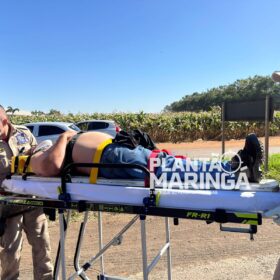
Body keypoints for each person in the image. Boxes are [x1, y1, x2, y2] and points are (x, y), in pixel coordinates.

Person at [29, 129, 263, 184]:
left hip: (118, 150)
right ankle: (238, 169)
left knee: (172, 164)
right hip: (110, 158)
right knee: (166, 168)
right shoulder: (34, 158)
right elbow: (51, 166)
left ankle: (235, 166)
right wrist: (64, 137)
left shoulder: (41, 147)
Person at [0, 106, 53, 280]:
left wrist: (36, 154)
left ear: (5, 122)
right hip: (7, 204)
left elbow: (39, 156)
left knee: (42, 245)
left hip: (32, 200)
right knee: (10, 252)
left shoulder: (24, 133)